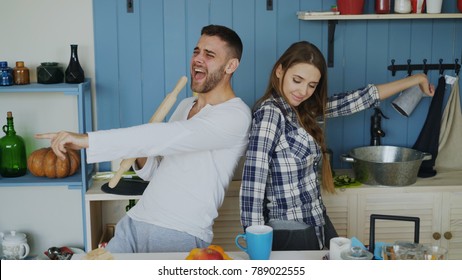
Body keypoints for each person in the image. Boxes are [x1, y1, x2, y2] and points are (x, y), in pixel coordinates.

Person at [37, 25, 251, 253]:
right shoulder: (185, 105)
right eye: (196, 51)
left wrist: (86, 139)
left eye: (209, 55)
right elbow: (155, 171)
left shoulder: (235, 116)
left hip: (179, 231)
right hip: (137, 220)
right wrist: (139, 150)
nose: (198, 59)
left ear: (231, 65)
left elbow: (166, 136)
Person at [239, 41, 435, 251]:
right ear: (280, 71)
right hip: (289, 229)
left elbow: (357, 99)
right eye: (297, 80)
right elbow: (254, 181)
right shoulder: (271, 114)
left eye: (312, 85)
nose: (303, 91)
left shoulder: (302, 110)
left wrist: (416, 79)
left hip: (316, 221)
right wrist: (255, 243)